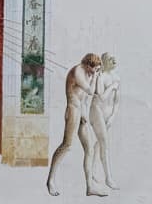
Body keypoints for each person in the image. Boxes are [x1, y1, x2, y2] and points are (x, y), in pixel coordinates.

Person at [47, 53, 113, 197]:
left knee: (89, 149)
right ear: (88, 65)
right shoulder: (78, 71)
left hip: (81, 111)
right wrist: (95, 76)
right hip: (72, 110)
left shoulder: (89, 73)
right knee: (66, 145)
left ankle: (90, 187)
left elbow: (91, 95)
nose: (94, 72)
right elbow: (90, 91)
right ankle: (50, 180)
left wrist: (85, 113)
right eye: (94, 69)